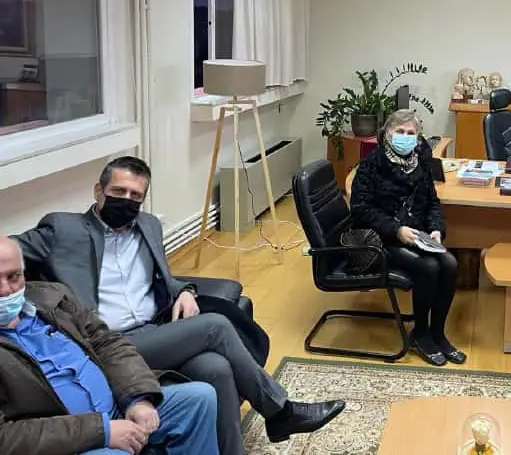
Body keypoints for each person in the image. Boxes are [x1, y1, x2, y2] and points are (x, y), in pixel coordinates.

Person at [16, 156, 345, 455]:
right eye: (118, 191)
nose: (126, 200)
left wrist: (184, 291)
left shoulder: (148, 225)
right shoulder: (62, 229)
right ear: (98, 191)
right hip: (105, 343)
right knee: (214, 326)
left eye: (135, 195)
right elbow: (9, 251)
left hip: (153, 330)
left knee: (216, 367)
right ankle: (281, 411)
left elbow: (164, 279)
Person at [0, 236, 219, 455]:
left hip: (116, 408)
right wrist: (101, 431)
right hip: (68, 442)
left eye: (13, 276)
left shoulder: (53, 297)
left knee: (199, 398)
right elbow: (5, 436)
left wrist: (137, 398)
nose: (6, 290)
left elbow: (108, 343)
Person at [350, 109, 465, 367]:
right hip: (382, 239)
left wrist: (436, 229)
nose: (405, 136)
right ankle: (420, 334)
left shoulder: (421, 161)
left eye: (410, 133)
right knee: (428, 267)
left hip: (416, 235)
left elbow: (432, 201)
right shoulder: (371, 164)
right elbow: (360, 209)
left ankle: (437, 333)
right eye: (399, 131)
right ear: (387, 134)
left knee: (450, 264)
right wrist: (395, 229)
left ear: (418, 137)